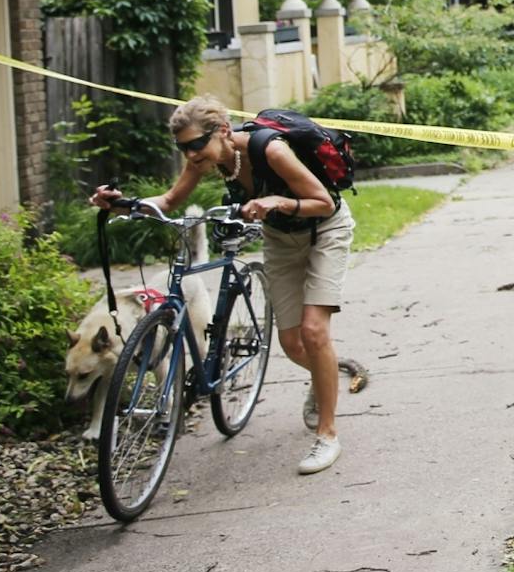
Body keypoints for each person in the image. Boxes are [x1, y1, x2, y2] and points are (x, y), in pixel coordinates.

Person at [89, 94, 353, 476]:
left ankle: (327, 435)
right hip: (281, 239)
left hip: (325, 231)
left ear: (224, 131)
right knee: (292, 343)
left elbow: (324, 203)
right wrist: (120, 204)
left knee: (314, 332)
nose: (191, 154)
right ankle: (322, 377)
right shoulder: (206, 159)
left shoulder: (271, 151)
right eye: (183, 147)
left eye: (197, 144)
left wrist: (276, 201)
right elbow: (169, 200)